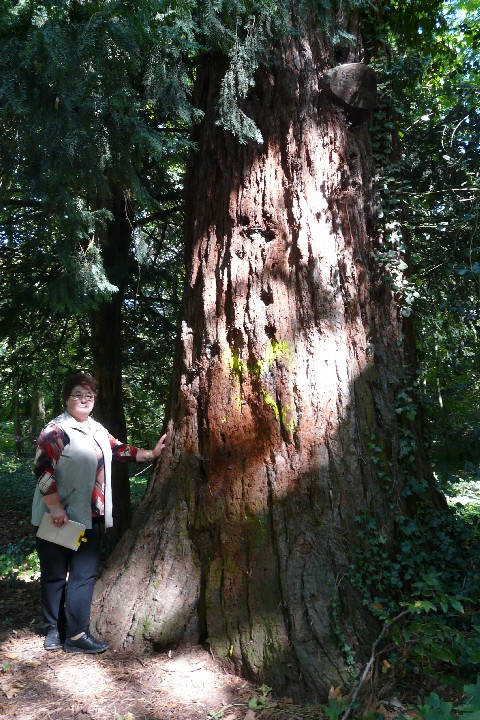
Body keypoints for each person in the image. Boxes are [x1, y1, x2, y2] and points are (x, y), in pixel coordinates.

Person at [31, 371, 167, 654]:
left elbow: (119, 450)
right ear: (67, 399)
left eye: (89, 396)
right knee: (55, 575)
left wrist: (152, 454)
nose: (84, 400)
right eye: (78, 395)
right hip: (58, 516)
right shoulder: (56, 431)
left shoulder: (96, 429)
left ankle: (77, 635)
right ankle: (53, 630)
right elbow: (42, 471)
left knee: (82, 574)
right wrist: (56, 508)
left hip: (88, 515)